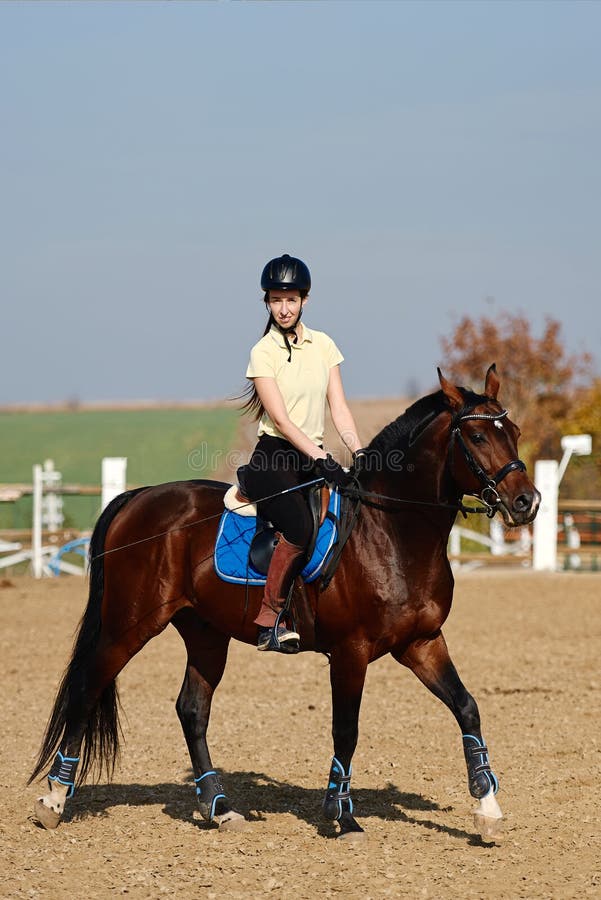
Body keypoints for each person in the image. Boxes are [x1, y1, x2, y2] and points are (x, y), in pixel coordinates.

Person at [242, 253, 363, 653]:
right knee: (299, 526)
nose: (284, 308)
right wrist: (322, 459)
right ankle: (269, 622)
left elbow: (339, 408)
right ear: (267, 303)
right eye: (276, 300)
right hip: (273, 458)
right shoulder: (263, 352)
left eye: (290, 299)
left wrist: (358, 452)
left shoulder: (324, 346)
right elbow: (282, 420)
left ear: (304, 300)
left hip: (311, 457)